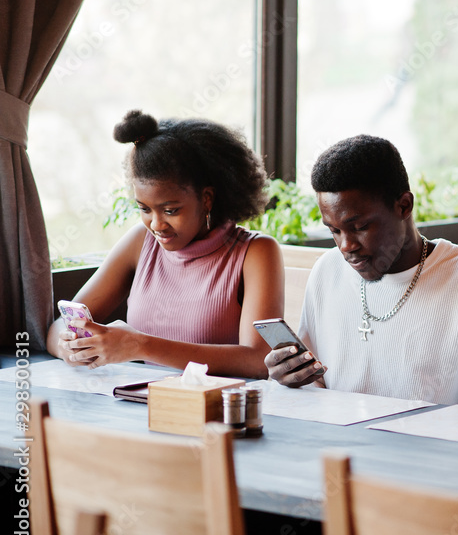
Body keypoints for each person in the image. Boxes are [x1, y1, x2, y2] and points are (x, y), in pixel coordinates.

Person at [264, 134, 458, 413]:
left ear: (404, 206)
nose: (346, 246)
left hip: (430, 452)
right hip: (339, 450)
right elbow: (313, 387)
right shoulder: (327, 271)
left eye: (359, 226)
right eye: (334, 230)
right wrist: (289, 380)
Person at [46, 110, 283, 378]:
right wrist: (68, 346)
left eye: (170, 210)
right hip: (142, 406)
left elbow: (258, 360)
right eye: (145, 209)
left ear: (206, 198)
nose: (157, 224)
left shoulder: (256, 252)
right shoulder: (140, 242)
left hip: (220, 411)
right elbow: (58, 328)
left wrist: (141, 346)